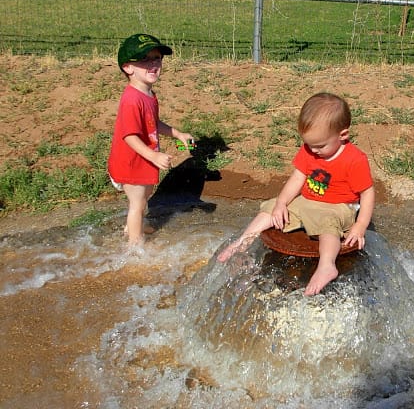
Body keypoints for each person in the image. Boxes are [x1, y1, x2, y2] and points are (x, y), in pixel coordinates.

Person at [217, 92, 375, 296]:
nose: (313, 150)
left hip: (338, 207)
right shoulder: (310, 149)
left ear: (342, 135)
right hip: (307, 201)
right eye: (309, 144)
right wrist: (282, 203)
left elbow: (367, 193)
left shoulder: (354, 159)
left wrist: (360, 226)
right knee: (270, 208)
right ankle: (242, 242)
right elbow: (297, 178)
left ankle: (327, 265)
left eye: (319, 146)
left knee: (328, 225)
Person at [108, 33, 194, 248]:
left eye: (157, 58)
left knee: (145, 195)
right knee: (137, 204)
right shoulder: (131, 99)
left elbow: (153, 123)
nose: (154, 64)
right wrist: (153, 155)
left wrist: (178, 134)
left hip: (142, 159)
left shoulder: (148, 94)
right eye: (145, 60)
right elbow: (129, 135)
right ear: (128, 68)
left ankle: (132, 227)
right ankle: (135, 247)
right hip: (131, 162)